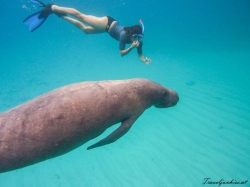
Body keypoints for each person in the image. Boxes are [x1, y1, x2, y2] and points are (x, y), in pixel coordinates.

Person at [23, 0, 151, 64]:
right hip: (106, 23)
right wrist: (131, 48)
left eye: (139, 38)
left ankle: (61, 16)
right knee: (81, 16)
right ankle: (53, 6)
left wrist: (144, 59)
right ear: (131, 34)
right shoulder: (124, 35)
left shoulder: (139, 42)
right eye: (135, 37)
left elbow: (140, 55)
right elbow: (122, 54)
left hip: (106, 30)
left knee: (84, 30)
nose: (136, 41)